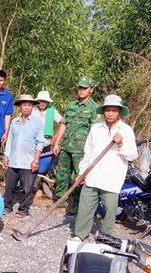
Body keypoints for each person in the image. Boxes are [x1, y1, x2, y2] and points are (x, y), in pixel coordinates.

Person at [72, 95, 137, 241]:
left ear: (119, 112)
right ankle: (80, 235)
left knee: (109, 211)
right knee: (85, 208)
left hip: (112, 179)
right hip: (92, 176)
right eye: (108, 110)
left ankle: (106, 238)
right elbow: (87, 152)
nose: (110, 113)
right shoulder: (96, 127)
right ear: (104, 111)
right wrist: (81, 172)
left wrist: (121, 144)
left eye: (114, 110)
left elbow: (133, 155)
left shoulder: (126, 130)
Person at [52, 76, 99, 215]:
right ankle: (60, 199)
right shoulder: (71, 105)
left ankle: (77, 204)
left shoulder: (94, 108)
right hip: (66, 146)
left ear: (91, 89)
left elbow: (94, 131)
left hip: (81, 149)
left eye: (85, 88)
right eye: (80, 87)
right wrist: (57, 142)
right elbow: (63, 124)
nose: (81, 90)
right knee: (62, 173)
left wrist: (92, 150)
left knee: (80, 176)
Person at [2, 95, 44, 218]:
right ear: (20, 107)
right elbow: (10, 140)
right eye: (24, 105)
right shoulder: (15, 122)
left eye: (29, 105)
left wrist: (35, 160)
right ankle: (7, 206)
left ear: (32, 107)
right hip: (14, 160)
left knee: (27, 187)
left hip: (28, 161)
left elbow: (40, 143)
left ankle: (23, 209)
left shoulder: (37, 123)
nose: (27, 108)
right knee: (9, 186)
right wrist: (6, 156)